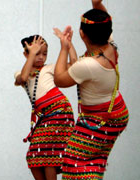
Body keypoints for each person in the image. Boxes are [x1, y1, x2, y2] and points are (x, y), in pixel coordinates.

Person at [54, 0, 129, 179]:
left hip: (100, 119)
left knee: (74, 161)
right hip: (116, 112)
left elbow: (60, 79)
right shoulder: (110, 47)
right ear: (108, 32)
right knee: (95, 158)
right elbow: (105, 23)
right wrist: (98, 4)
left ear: (82, 33)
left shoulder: (88, 65)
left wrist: (64, 47)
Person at [14, 35, 75, 180]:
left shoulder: (50, 68)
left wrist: (68, 45)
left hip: (59, 111)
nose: (41, 57)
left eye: (44, 53)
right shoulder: (22, 73)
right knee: (34, 156)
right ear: (26, 55)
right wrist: (32, 54)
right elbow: (22, 78)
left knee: (48, 154)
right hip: (45, 116)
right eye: (36, 53)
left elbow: (73, 65)